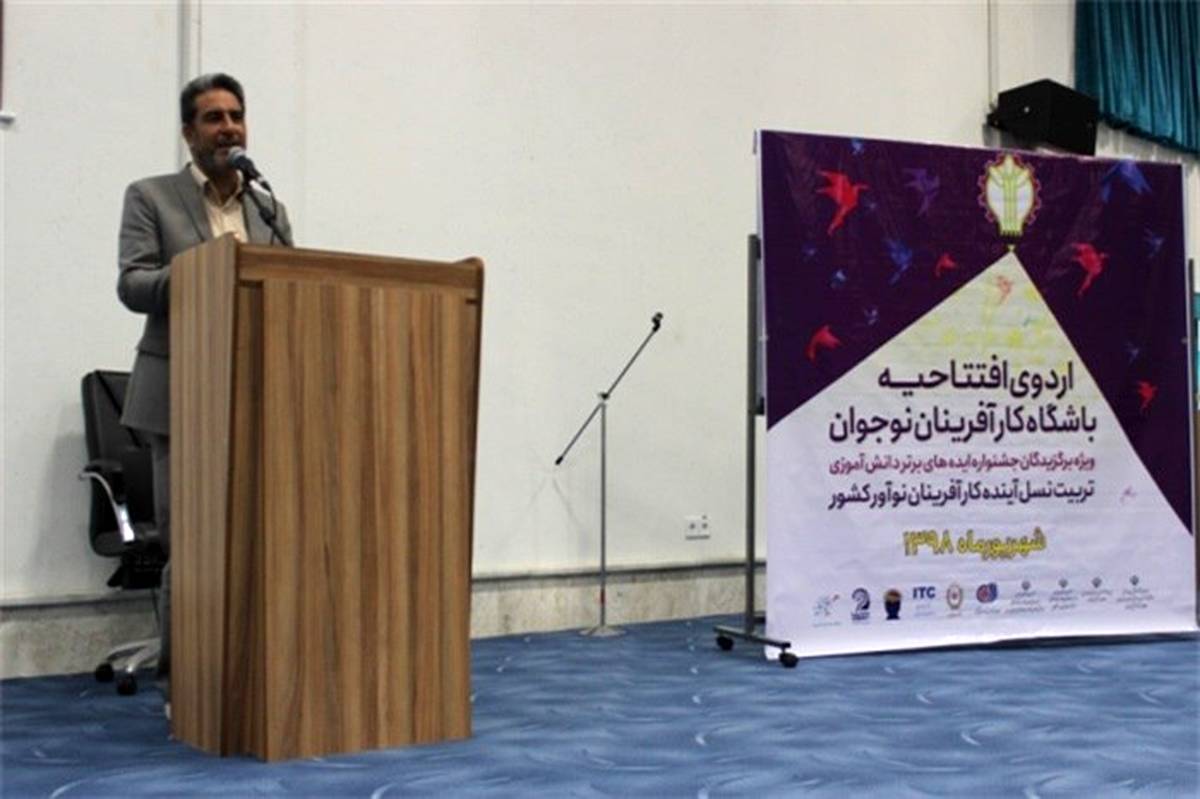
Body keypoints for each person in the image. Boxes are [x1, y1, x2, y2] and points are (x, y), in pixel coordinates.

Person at [117, 73, 292, 708]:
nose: (228, 128)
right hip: (180, 395)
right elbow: (133, 284)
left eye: (236, 116)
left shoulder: (267, 208)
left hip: (253, 394)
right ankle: (184, 685)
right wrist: (210, 267)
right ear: (189, 132)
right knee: (190, 542)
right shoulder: (151, 197)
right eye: (214, 118)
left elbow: (289, 286)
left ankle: (248, 673)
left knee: (256, 540)